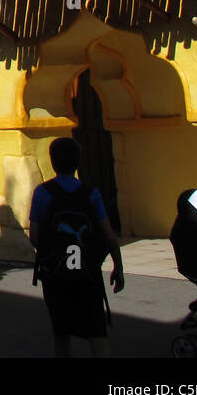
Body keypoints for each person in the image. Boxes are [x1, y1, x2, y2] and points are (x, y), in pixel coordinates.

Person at [28, 136, 124, 357]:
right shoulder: (92, 193)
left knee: (61, 334)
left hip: (56, 273)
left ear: (52, 162)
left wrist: (48, 255)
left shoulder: (43, 192)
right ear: (78, 162)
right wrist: (118, 265)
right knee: (97, 335)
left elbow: (35, 235)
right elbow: (108, 234)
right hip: (87, 272)